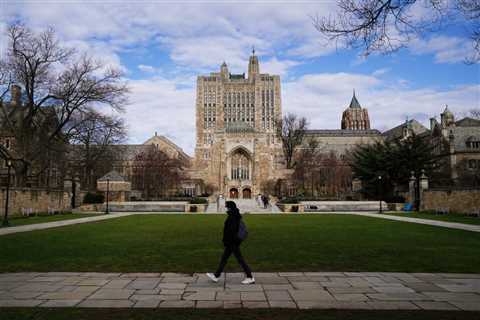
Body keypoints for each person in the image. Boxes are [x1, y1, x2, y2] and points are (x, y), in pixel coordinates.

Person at [207, 201, 255, 284]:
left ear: (230, 207)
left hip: (232, 242)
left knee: (240, 260)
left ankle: (250, 277)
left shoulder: (232, 216)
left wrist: (228, 241)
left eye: (227, 207)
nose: (226, 208)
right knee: (224, 259)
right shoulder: (234, 214)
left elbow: (231, 231)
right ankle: (216, 276)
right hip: (231, 242)